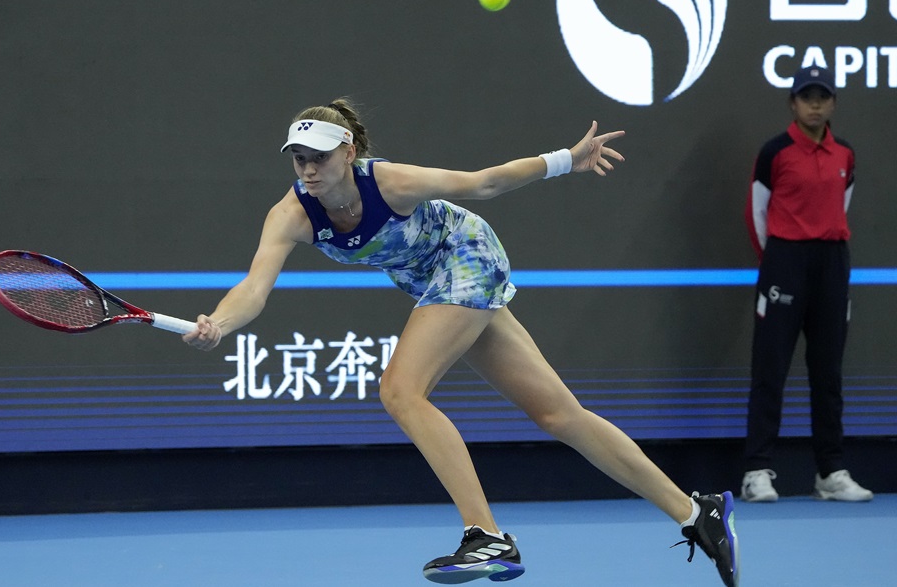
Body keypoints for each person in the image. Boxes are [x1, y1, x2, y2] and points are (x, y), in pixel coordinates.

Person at [183, 98, 739, 586]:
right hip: (433, 284)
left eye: (320, 158)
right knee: (558, 414)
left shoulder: (390, 182)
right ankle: (697, 512)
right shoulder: (291, 215)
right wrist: (221, 323)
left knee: (400, 391)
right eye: (299, 159)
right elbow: (254, 288)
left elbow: (484, 182)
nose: (308, 170)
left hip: (467, 253)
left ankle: (486, 536)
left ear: (348, 152)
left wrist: (566, 159)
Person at [741, 65, 873, 504]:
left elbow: (841, 203)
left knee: (828, 373)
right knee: (770, 370)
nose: (815, 105)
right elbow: (757, 214)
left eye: (823, 97)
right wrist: (780, 259)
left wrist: (818, 245)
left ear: (833, 103)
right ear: (793, 103)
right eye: (806, 97)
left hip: (832, 263)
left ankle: (830, 471)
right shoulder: (775, 152)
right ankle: (756, 471)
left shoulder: (845, 154)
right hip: (784, 262)